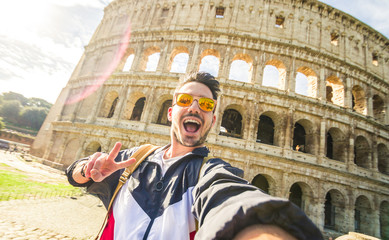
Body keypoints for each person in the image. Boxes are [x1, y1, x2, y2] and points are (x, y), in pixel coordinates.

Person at [66, 72, 323, 240]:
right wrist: (87, 168)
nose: (195, 107)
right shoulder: (134, 159)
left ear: (212, 121)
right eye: (186, 99)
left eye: (207, 104)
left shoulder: (210, 173)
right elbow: (74, 175)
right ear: (170, 112)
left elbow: (230, 198)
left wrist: (268, 230)